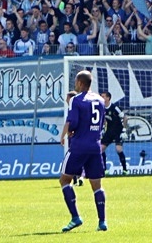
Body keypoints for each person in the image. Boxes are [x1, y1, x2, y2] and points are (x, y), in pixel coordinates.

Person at [58, 70, 107, 232]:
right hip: (95, 146)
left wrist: (70, 131)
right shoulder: (100, 100)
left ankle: (75, 217)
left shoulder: (76, 100)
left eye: (76, 82)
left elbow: (73, 122)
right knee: (97, 186)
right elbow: (100, 123)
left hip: (79, 146)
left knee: (64, 180)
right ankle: (102, 222)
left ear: (79, 83)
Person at [100, 91, 128, 175]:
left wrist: (124, 130)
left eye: (103, 96)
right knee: (101, 149)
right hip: (109, 132)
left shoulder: (114, 107)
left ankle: (125, 169)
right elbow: (104, 120)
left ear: (108, 98)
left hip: (118, 132)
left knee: (118, 149)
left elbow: (125, 118)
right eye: (101, 96)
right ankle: (105, 170)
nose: (102, 98)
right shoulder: (102, 108)